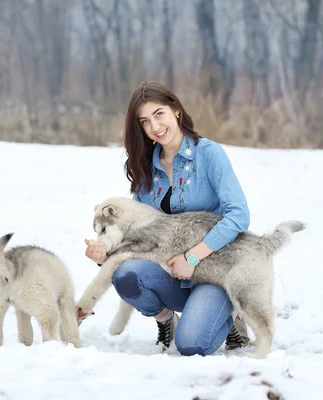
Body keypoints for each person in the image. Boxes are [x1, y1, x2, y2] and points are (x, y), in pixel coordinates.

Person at [84, 80, 251, 356]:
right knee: (125, 275)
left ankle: (232, 319)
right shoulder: (144, 168)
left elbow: (238, 215)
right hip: (170, 273)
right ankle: (165, 320)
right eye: (145, 121)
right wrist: (103, 254)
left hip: (215, 273)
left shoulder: (208, 154)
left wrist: (193, 257)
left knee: (192, 344)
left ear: (176, 110)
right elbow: (134, 237)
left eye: (159, 114)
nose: (155, 126)